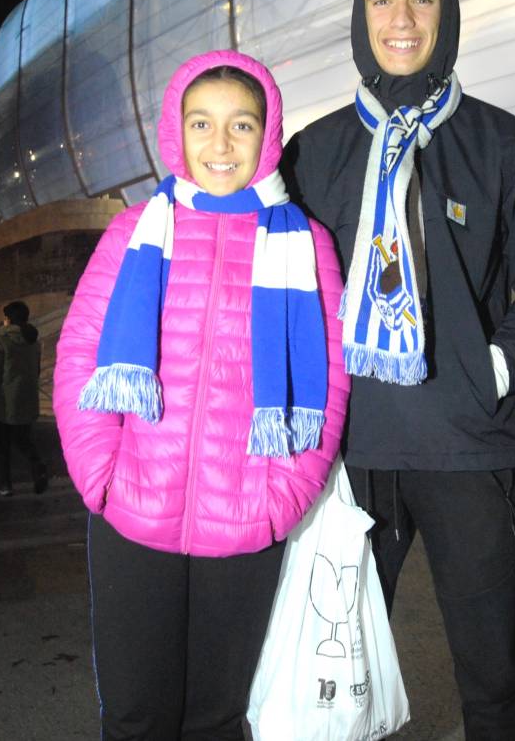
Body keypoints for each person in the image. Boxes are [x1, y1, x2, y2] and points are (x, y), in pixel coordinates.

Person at [282, 0, 515, 740]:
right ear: (359, 14)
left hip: (467, 443)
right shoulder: (311, 152)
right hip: (347, 456)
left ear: (447, 13)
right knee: (331, 673)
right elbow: (273, 290)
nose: (402, 19)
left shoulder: (502, 143)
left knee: (492, 677)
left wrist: (493, 366)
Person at [53, 50, 350, 738]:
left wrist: (283, 499)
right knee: (134, 716)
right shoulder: (134, 232)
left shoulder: (306, 243)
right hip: (132, 509)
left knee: (218, 719)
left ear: (267, 134)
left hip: (247, 518)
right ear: (175, 132)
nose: (219, 144)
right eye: (201, 123)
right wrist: (101, 479)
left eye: (241, 125)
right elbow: (79, 357)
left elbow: (329, 382)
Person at [0, 300, 48, 496]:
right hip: (28, 396)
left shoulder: (2, 341)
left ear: (8, 319)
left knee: (2, 443)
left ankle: (5, 483)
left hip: (6, 399)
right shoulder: (33, 341)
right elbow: (37, 370)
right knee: (23, 438)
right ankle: (37, 465)